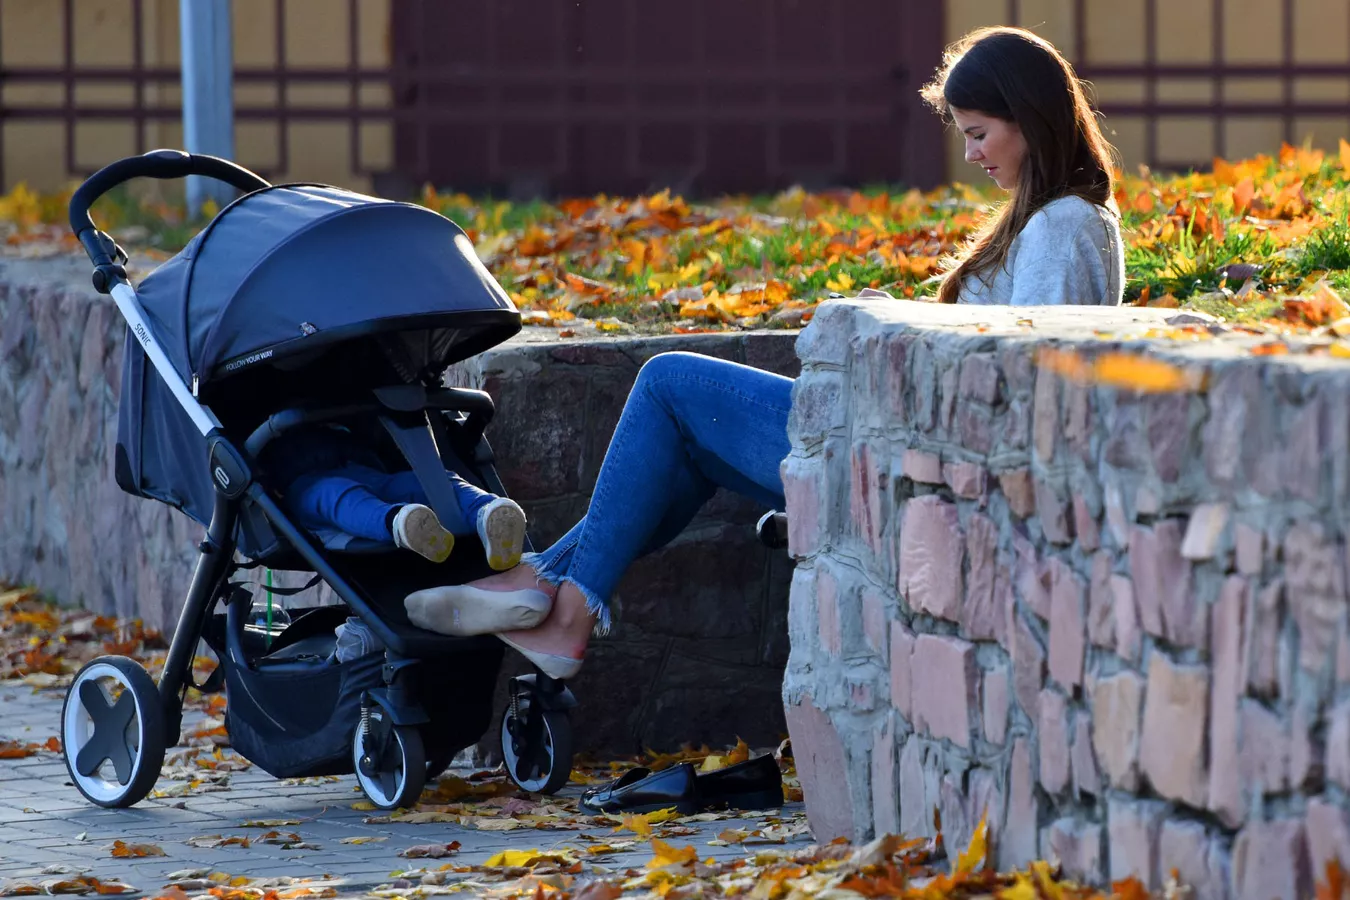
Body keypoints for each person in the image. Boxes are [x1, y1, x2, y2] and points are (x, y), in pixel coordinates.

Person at [403, 26, 1127, 677]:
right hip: (899, 443)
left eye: (977, 134)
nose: (970, 155)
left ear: (1026, 117)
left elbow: (1020, 372)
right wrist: (888, 315)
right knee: (680, 448)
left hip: (911, 460)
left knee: (665, 384)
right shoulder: (1051, 219)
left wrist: (897, 327)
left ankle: (559, 602)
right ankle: (548, 589)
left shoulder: (1061, 228)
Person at [265, 423, 534, 580]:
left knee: (430, 481)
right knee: (339, 497)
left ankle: (489, 512)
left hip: (368, 468)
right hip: (301, 485)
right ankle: (401, 522)